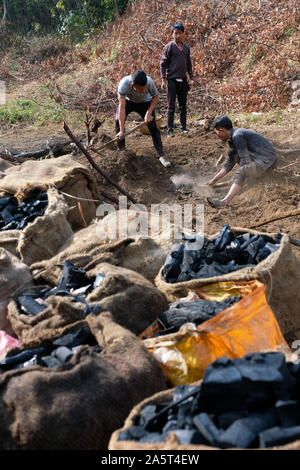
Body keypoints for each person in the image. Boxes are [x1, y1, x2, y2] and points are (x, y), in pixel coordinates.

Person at [207, 115, 277, 208]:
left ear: (221, 130)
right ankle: (244, 180)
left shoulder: (237, 136)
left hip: (267, 159)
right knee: (235, 156)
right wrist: (212, 181)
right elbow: (229, 163)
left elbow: (245, 160)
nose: (218, 136)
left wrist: (236, 177)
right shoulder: (234, 138)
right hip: (260, 158)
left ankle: (225, 201)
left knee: (242, 170)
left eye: (217, 134)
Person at [115, 70, 171, 168]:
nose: (142, 91)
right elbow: (122, 107)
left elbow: (156, 96)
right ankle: (121, 150)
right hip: (128, 102)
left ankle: (161, 155)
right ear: (132, 85)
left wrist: (149, 113)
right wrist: (122, 130)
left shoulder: (149, 82)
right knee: (118, 121)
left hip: (145, 103)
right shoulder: (123, 85)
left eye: (144, 88)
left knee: (153, 126)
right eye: (140, 89)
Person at [160, 21, 193, 136]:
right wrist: (163, 79)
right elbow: (163, 64)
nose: (178, 35)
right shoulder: (169, 48)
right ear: (172, 34)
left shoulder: (186, 48)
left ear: (183, 34)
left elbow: (189, 64)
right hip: (171, 80)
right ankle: (170, 129)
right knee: (171, 106)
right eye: (175, 33)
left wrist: (190, 78)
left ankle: (183, 127)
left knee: (183, 105)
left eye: (180, 33)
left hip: (183, 80)